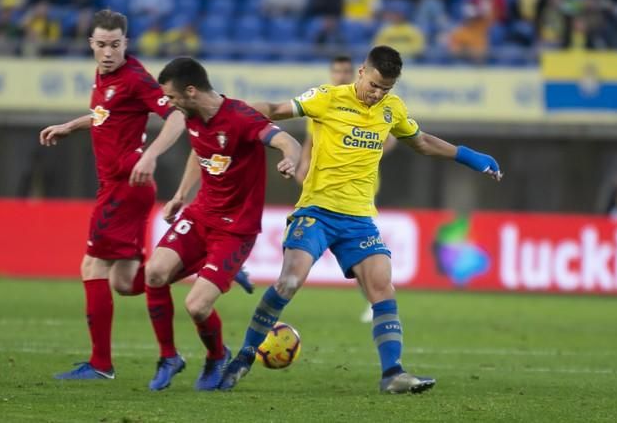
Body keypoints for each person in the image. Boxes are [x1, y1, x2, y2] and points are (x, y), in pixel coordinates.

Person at [220, 45, 502, 394]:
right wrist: (227, 110)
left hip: (359, 219)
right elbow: (277, 109)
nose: (377, 94)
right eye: (374, 85)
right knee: (289, 283)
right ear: (361, 72)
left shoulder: (391, 110)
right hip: (316, 211)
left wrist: (470, 156)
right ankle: (244, 357)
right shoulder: (327, 98)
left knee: (383, 285)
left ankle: (393, 374)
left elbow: (423, 141)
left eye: (386, 89)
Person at [38, 10, 250, 380]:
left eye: (115, 45)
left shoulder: (134, 78)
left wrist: (150, 155)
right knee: (124, 282)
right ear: (91, 44)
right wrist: (72, 125)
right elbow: (107, 114)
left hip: (124, 186)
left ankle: (101, 364)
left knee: (91, 267)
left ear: (126, 43)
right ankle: (211, 267)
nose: (108, 52)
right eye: (101, 45)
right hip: (121, 187)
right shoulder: (104, 76)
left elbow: (177, 117)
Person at [142, 57, 301, 391]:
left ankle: (217, 355)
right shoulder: (193, 117)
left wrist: (289, 159)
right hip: (200, 216)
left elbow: (288, 141)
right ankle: (169, 356)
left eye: (171, 97)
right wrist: (182, 195)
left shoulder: (242, 118)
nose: (168, 104)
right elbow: (200, 153)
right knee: (153, 273)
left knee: (196, 306)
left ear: (190, 91)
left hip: (235, 230)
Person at [295, 55, 395, 324]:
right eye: (336, 70)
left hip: (359, 192)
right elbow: (311, 139)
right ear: (331, 72)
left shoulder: (371, 104)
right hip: (324, 189)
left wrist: (362, 155)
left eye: (345, 71)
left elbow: (393, 137)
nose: (340, 75)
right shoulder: (326, 100)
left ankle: (372, 301)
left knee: (362, 252)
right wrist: (303, 164)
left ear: (356, 73)